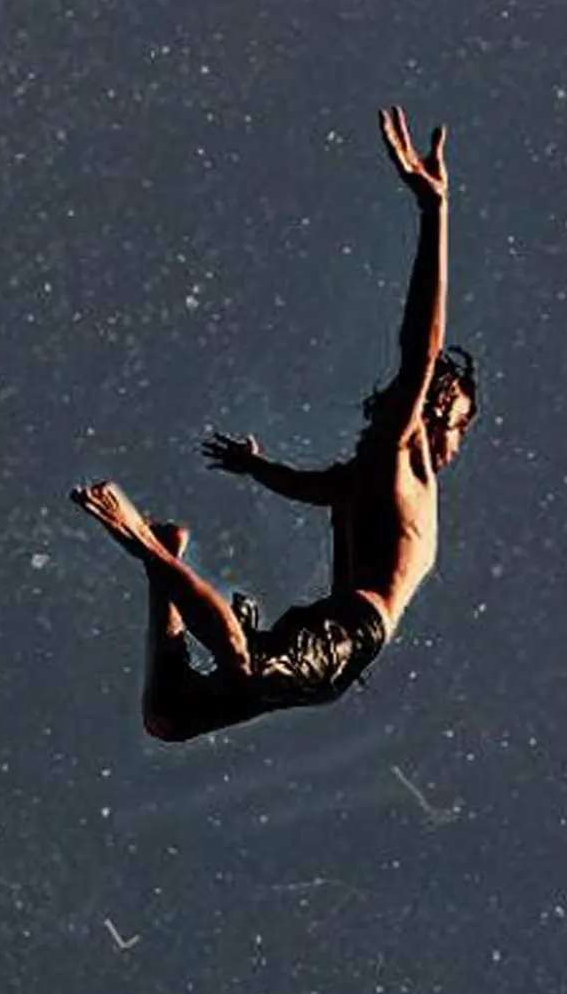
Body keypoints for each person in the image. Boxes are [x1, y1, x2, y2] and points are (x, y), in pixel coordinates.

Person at [71, 105, 475, 742]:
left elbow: (318, 489)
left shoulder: (370, 475)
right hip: (350, 630)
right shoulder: (404, 449)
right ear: (434, 409)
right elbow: (422, 348)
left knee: (170, 716)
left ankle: (164, 559)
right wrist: (435, 212)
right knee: (229, 673)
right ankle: (146, 546)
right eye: (459, 423)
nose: (457, 442)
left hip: (341, 644)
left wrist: (259, 468)